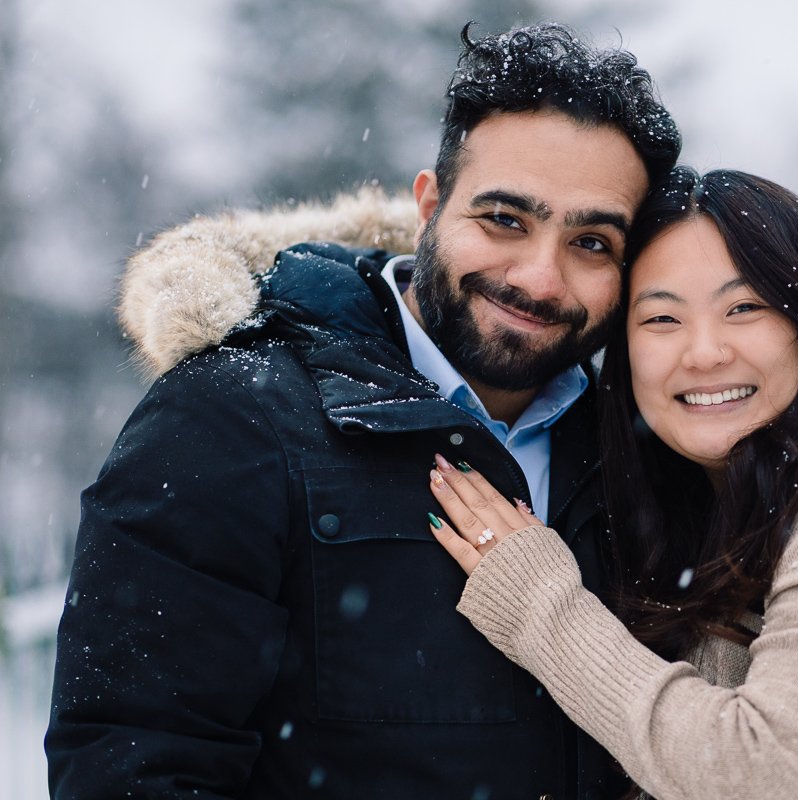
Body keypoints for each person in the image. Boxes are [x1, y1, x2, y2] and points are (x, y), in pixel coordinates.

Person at [46, 22, 680, 799]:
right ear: (429, 205)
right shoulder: (230, 417)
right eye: (505, 220)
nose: (540, 279)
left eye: (591, 242)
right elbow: (133, 762)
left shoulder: (649, 453)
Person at [424, 167, 798, 800]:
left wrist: (542, 606)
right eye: (661, 320)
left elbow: (763, 774)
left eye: (743, 308)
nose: (704, 353)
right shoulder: (680, 507)